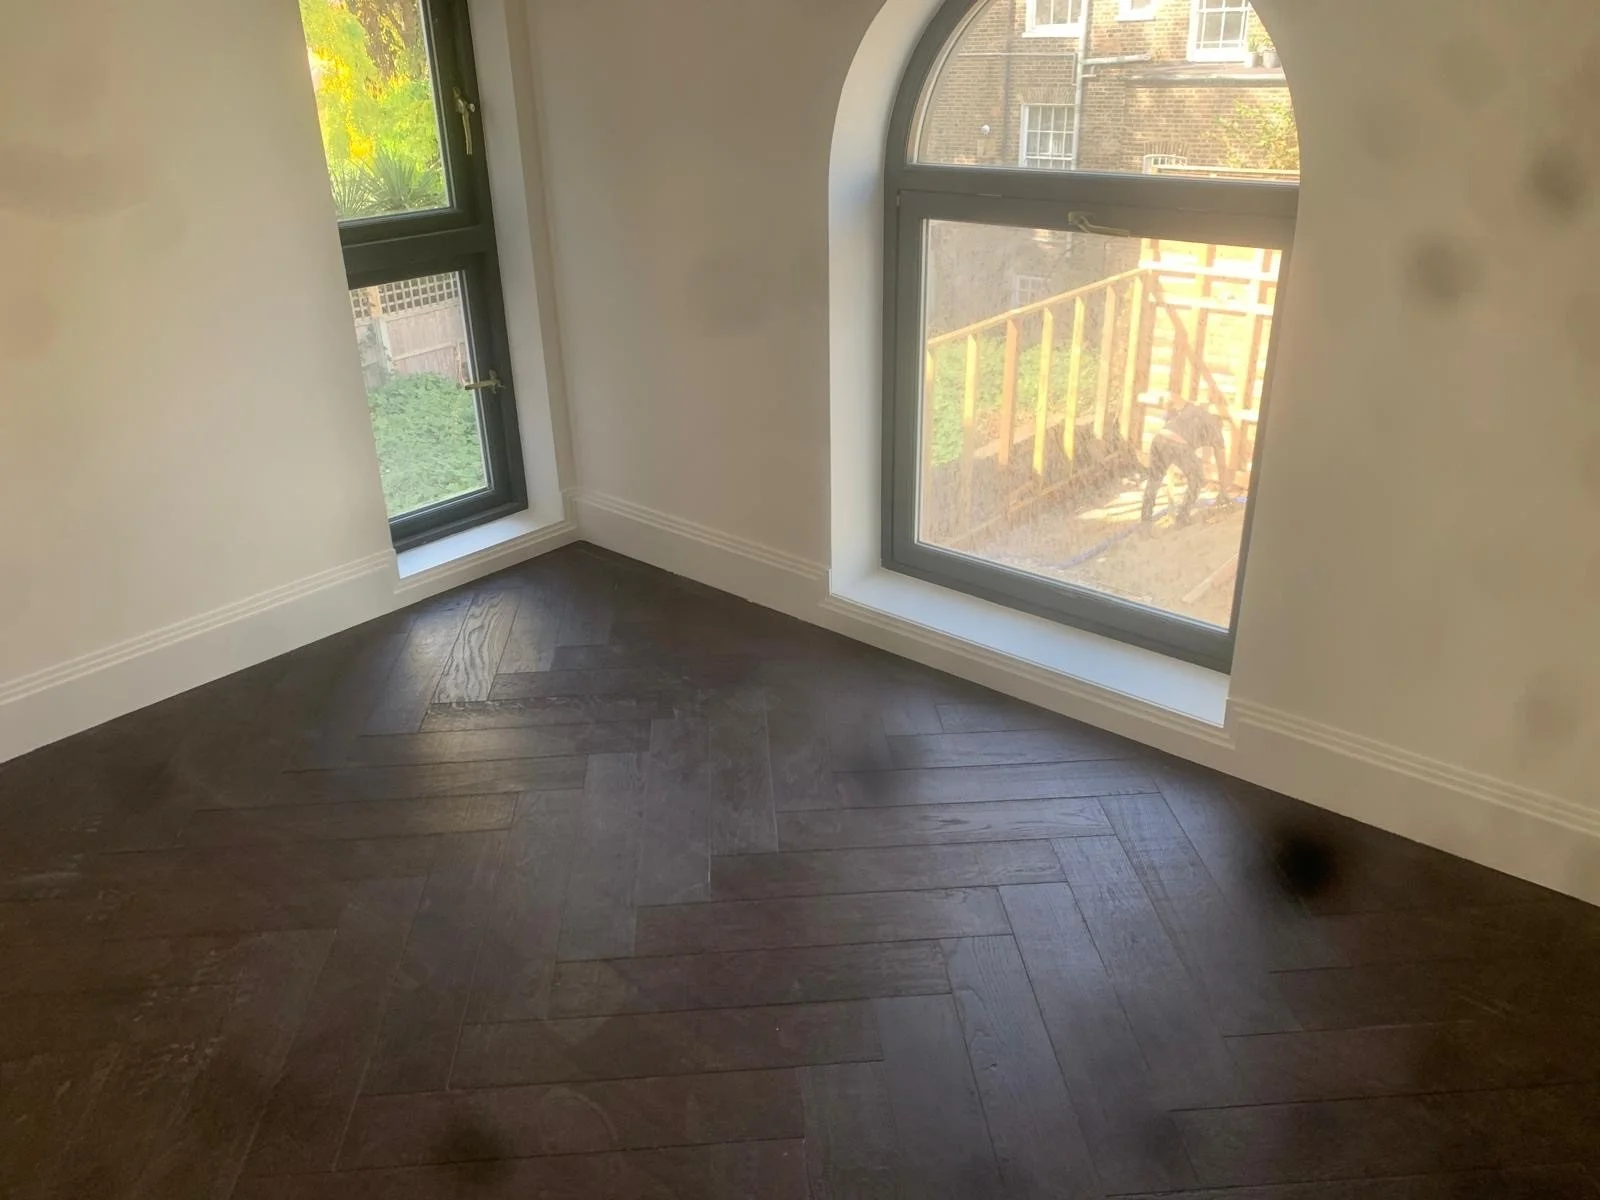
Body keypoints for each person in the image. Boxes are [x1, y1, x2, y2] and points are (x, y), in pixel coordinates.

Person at [1141, 393, 1230, 526]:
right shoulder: (1216, 430)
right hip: (1179, 444)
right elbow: (1221, 465)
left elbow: (1172, 396)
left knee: (1154, 481)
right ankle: (1183, 517)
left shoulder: (1193, 409)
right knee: (1197, 478)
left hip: (1159, 439)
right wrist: (1223, 490)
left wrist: (1167, 410)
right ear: (1219, 424)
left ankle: (1145, 519)